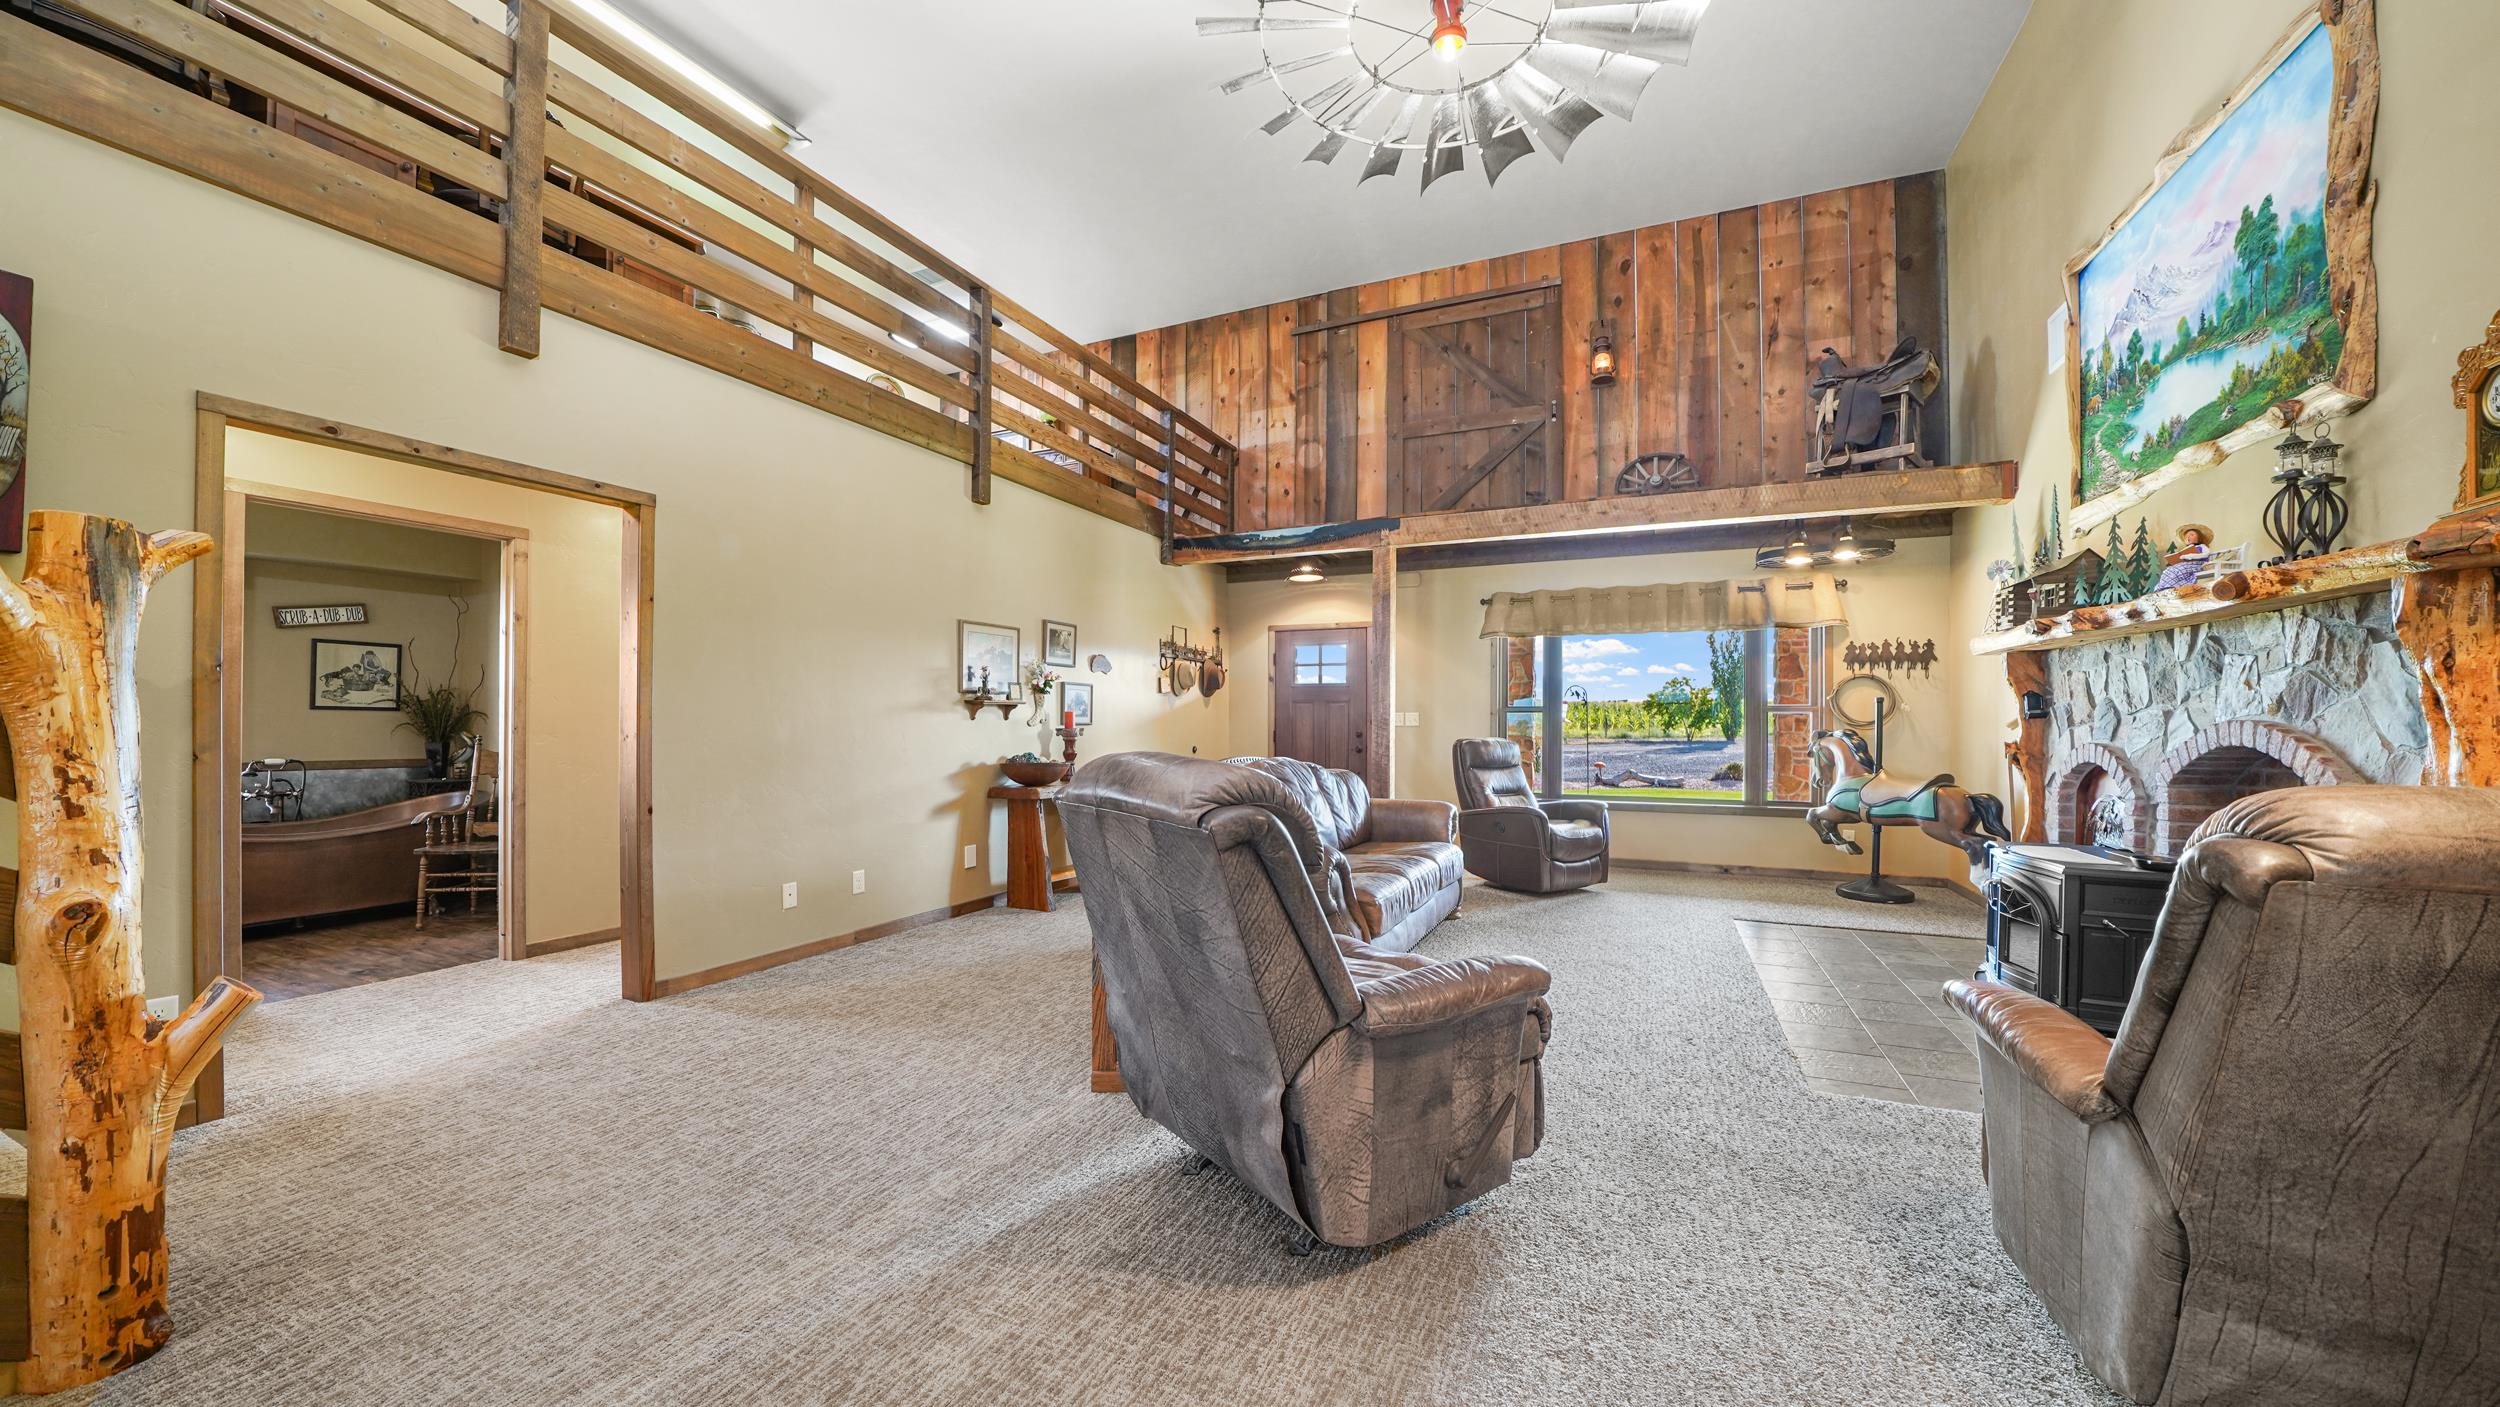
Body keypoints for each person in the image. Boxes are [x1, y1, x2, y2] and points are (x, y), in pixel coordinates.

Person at [2155, 523, 2213, 591]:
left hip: (2197, 565)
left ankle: (2173, 587)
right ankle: (2165, 587)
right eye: (2186, 536)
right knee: (2169, 570)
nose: (2188, 537)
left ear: (2199, 537)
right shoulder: (2186, 549)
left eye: (2192, 535)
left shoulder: (2202, 546)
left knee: (2178, 570)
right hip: (2185, 565)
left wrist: (2191, 556)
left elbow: (2206, 554)